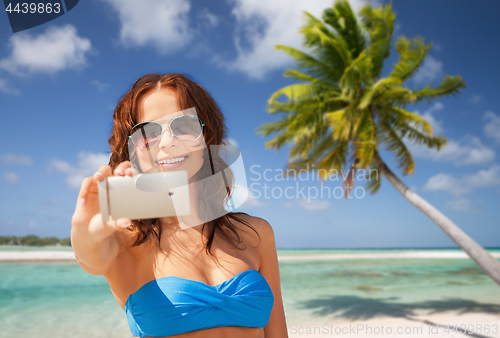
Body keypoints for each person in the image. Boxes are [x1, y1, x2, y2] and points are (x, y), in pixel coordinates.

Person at [71, 73, 289, 338]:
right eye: (147, 132)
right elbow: (90, 257)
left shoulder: (255, 232)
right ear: (133, 150)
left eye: (184, 125)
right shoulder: (124, 241)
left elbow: (278, 333)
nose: (167, 141)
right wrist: (84, 232)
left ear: (206, 136)